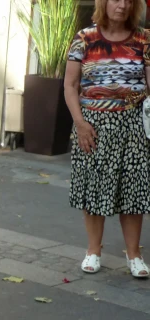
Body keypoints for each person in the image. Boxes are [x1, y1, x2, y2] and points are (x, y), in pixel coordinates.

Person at [65, 0, 150, 278]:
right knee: (94, 190)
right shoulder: (84, 39)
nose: (122, 5)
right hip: (92, 126)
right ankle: (93, 251)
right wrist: (80, 123)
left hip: (134, 124)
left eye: (129, 0)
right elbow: (70, 85)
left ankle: (134, 256)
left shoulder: (144, 39)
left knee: (133, 190)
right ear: (103, 3)